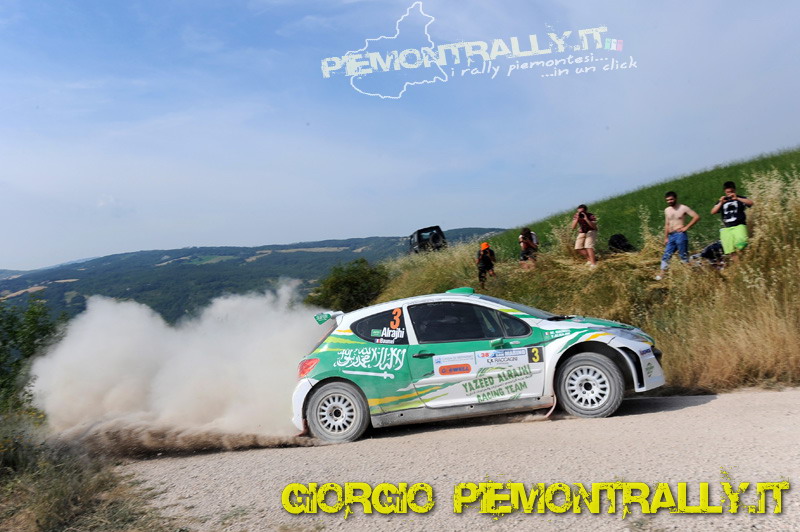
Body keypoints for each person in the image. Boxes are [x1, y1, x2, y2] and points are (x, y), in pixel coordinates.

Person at [657, 191, 700, 279]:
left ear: (675, 198)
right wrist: (666, 237)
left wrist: (686, 227)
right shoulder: (667, 210)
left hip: (680, 234)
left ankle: (694, 272)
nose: (669, 201)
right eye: (667, 200)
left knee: (683, 256)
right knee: (666, 255)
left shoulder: (683, 208)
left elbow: (696, 217)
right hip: (671, 236)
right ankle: (662, 274)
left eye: (671, 199)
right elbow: (667, 224)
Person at [710, 181, 754, 262]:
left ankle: (745, 259)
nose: (730, 194)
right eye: (728, 192)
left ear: (735, 190)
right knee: (731, 250)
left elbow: (751, 203)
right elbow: (713, 212)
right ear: (725, 192)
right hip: (727, 228)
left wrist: (737, 198)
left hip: (739, 225)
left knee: (742, 244)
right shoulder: (722, 201)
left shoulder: (740, 198)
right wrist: (721, 202)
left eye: (732, 191)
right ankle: (739, 265)